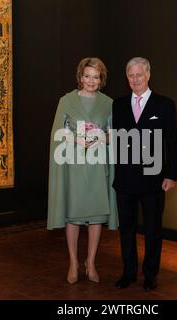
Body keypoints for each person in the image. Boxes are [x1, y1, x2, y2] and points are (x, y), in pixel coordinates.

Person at [47, 57, 117, 285]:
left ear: (101, 79)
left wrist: (102, 136)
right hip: (73, 166)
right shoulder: (66, 101)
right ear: (80, 77)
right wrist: (74, 138)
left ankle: (91, 262)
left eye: (95, 77)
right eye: (87, 76)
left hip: (97, 166)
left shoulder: (108, 103)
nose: (91, 80)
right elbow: (57, 134)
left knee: (96, 216)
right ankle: (73, 263)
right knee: (74, 217)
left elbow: (114, 135)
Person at [112, 57, 177, 291]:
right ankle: (128, 272)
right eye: (130, 75)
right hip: (125, 180)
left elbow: (172, 142)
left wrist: (170, 175)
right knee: (126, 230)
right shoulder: (118, 105)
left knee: (153, 230)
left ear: (148, 75)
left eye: (139, 75)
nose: (135, 79)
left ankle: (150, 274)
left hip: (154, 180)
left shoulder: (165, 105)